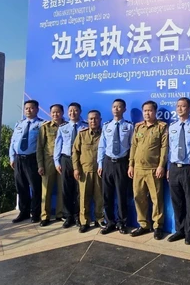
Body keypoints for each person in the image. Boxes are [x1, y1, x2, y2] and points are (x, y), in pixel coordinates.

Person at [128, 101, 168, 240]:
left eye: (150, 110)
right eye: (145, 111)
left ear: (155, 111)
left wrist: (161, 165)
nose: (147, 113)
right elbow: (134, 146)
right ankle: (143, 224)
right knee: (139, 197)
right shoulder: (138, 127)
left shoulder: (161, 127)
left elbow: (164, 148)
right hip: (138, 168)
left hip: (153, 169)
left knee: (156, 199)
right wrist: (131, 164)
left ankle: (158, 226)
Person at [167, 97, 190, 245]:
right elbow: (169, 149)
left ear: (189, 108)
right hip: (174, 167)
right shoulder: (172, 126)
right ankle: (179, 230)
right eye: (178, 106)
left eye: (183, 106)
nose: (180, 109)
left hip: (189, 168)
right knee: (177, 202)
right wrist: (169, 168)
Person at [98, 99, 134, 235]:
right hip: (108, 162)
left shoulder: (130, 126)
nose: (116, 109)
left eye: (119, 107)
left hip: (122, 163)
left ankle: (121, 223)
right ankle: (109, 222)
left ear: (124, 109)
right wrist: (100, 164)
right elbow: (102, 146)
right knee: (107, 195)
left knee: (121, 195)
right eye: (114, 107)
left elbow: (132, 147)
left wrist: (131, 165)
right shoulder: (106, 125)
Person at [9, 100, 44, 223]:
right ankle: (23, 212)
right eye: (26, 108)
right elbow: (13, 141)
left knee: (35, 187)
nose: (28, 110)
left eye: (31, 108)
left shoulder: (41, 124)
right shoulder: (19, 124)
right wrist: (12, 157)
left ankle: (35, 214)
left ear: (37, 110)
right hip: (19, 159)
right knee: (21, 186)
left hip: (32, 159)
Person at [54, 102, 87, 228]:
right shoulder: (63, 128)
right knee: (66, 189)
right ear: (68, 113)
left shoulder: (85, 127)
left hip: (80, 161)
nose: (73, 113)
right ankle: (68, 216)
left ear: (80, 111)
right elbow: (58, 145)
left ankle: (78, 216)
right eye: (71, 111)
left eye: (75, 110)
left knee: (79, 190)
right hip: (66, 159)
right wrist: (57, 162)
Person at [72, 110, 106, 233]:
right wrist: (76, 168)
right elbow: (75, 152)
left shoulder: (104, 134)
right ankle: (84, 222)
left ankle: (99, 219)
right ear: (88, 121)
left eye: (96, 118)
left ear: (100, 120)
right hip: (84, 172)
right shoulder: (82, 134)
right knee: (84, 198)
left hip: (99, 172)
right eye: (91, 119)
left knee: (99, 198)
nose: (93, 121)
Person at [37, 104, 65, 227]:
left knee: (61, 188)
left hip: (63, 161)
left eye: (58, 112)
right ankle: (45, 216)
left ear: (62, 113)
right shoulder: (45, 127)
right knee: (46, 189)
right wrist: (40, 165)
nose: (55, 114)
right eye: (53, 112)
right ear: (50, 113)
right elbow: (39, 147)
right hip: (48, 160)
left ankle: (60, 214)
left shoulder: (67, 126)